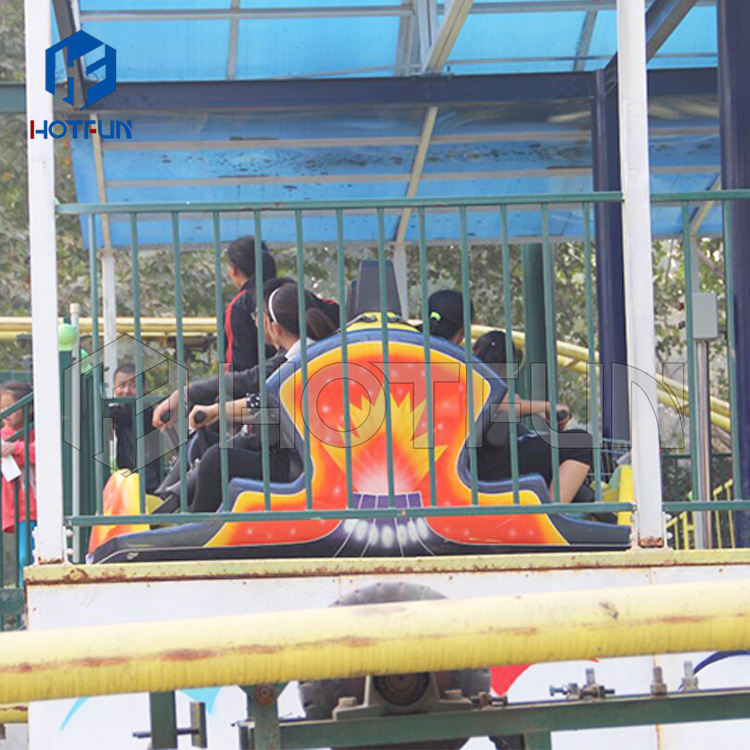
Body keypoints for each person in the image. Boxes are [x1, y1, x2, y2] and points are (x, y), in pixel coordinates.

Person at [154, 282, 337, 513]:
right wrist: (217, 412)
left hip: (296, 463)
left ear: (275, 328)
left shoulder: (296, 362)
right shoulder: (302, 355)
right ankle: (169, 499)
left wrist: (213, 409)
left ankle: (196, 523)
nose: (256, 323)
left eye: (260, 316)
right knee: (219, 448)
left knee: (217, 460)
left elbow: (263, 401)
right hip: (292, 454)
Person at [472, 329, 594, 505]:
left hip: (482, 465)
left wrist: (537, 410)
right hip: (487, 467)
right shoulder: (482, 386)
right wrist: (546, 406)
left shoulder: (471, 379)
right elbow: (498, 403)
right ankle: (551, 513)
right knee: (581, 443)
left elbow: (510, 403)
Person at [224, 235, 277, 372]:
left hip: (255, 383)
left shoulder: (239, 306)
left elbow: (236, 364)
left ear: (233, 270)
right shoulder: (288, 293)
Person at [0, 381, 36, 584]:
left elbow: (42, 453)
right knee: (25, 557)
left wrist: (16, 449)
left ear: (28, 408)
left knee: (32, 555)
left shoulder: (37, 430)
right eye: (2, 408)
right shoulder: (4, 434)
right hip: (19, 509)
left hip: (39, 506)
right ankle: (25, 594)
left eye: (10, 407)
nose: (5, 413)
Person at [109, 363, 160, 492]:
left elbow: (119, 414)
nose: (126, 391)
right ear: (114, 387)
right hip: (129, 476)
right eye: (122, 385)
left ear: (144, 388)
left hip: (148, 480)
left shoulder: (145, 409)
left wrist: (104, 414)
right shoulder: (120, 411)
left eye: (133, 385)